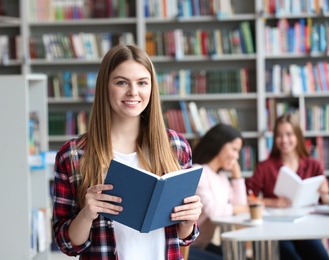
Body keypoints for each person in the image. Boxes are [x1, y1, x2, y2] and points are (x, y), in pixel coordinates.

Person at [52, 44, 203, 260]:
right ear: (105, 86)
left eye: (142, 82)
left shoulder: (176, 147)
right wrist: (87, 213)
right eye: (122, 82)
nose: (133, 92)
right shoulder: (73, 155)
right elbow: (66, 243)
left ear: (152, 88)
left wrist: (189, 219)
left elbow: (182, 237)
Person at [246, 112, 329, 260]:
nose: (284, 140)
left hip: (305, 230)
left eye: (289, 134)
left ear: (297, 136)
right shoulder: (265, 167)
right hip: (276, 231)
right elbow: (247, 196)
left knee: (322, 257)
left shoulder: (313, 165)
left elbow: (326, 203)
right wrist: (272, 202)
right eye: (279, 135)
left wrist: (325, 194)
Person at [189, 123, 249, 259]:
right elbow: (213, 211)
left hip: (201, 245)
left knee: (240, 257)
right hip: (186, 247)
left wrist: (237, 175)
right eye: (234, 149)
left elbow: (240, 205)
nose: (236, 156)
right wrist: (237, 209)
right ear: (219, 144)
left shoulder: (221, 177)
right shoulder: (198, 171)